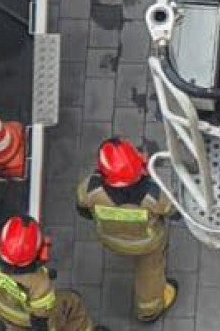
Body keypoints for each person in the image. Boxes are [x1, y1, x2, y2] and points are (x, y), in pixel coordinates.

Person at [75, 137, 178, 323]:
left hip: (110, 239)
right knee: (150, 272)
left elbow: (83, 210)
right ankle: (149, 310)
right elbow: (173, 211)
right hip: (147, 245)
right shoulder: (152, 195)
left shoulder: (91, 189)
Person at [0, 214, 102, 331]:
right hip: (28, 319)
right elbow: (40, 319)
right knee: (72, 301)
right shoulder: (40, 283)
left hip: (1, 309)